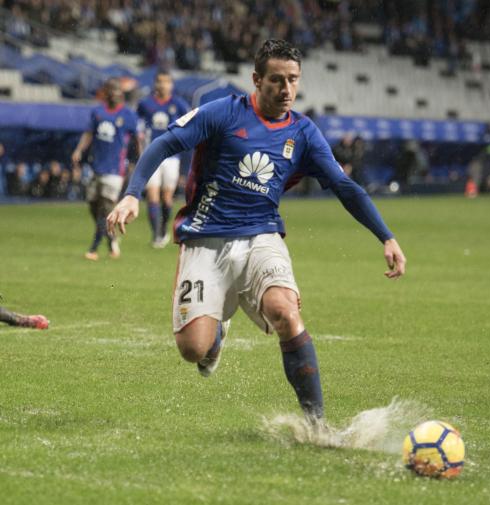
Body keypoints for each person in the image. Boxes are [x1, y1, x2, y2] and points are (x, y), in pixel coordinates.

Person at [107, 39, 406, 420]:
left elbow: (345, 187)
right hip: (205, 237)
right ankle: (216, 333)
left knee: (285, 311)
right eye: (277, 80)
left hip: (262, 236)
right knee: (193, 350)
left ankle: (317, 425)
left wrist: (386, 236)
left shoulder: (303, 132)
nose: (286, 90)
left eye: (293, 80)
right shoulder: (223, 114)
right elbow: (163, 145)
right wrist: (133, 194)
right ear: (256, 79)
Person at [72, 78, 139, 260]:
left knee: (105, 208)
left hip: (115, 170)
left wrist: (139, 160)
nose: (114, 93)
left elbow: (137, 138)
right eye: (111, 89)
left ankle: (93, 248)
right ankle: (112, 240)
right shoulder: (97, 111)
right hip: (96, 167)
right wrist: (79, 150)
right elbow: (88, 134)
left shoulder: (127, 114)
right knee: (93, 206)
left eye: (117, 90)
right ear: (106, 92)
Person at [137, 71, 190, 247]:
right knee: (152, 195)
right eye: (159, 81)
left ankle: (164, 227)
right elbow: (139, 130)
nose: (163, 85)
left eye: (166, 82)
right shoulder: (145, 104)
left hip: (172, 157)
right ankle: (156, 235)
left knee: (167, 198)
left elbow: (189, 126)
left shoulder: (179, 105)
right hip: (151, 154)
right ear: (155, 83)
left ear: (171, 85)